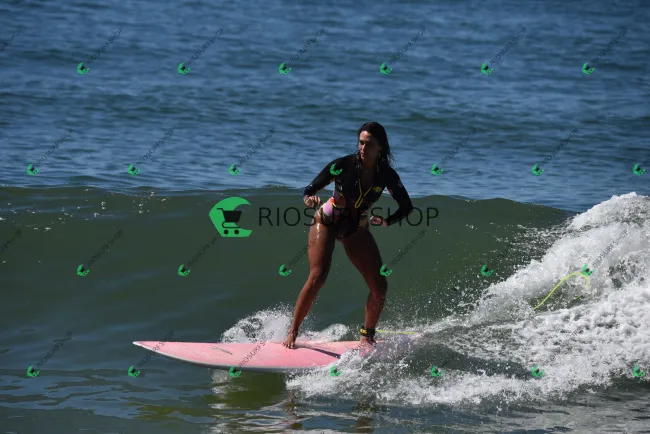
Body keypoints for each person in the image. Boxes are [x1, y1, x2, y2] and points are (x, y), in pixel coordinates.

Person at [282, 122, 414, 349]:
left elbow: (407, 207)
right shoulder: (342, 165)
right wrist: (308, 199)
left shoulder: (387, 175)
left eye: (369, 144)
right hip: (327, 221)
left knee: (380, 287)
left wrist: (387, 220)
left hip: (356, 228)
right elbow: (310, 189)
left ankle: (367, 335)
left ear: (380, 147)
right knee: (319, 276)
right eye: (361, 143)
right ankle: (293, 331)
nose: (363, 148)